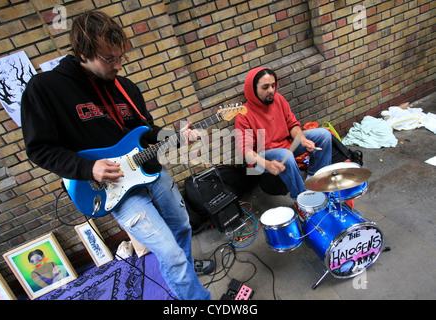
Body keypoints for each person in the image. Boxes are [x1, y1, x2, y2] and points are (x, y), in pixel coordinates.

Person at [21, 11, 213, 300]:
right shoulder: (46, 89)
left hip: (149, 171)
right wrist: (88, 168)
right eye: (109, 59)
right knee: (169, 254)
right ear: (83, 53)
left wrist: (175, 136)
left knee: (183, 227)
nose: (117, 65)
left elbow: (143, 129)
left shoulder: (125, 88)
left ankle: (184, 274)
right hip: (114, 188)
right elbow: (39, 149)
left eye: (120, 57)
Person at [235, 67, 332, 218]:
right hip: (262, 157)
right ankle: (302, 202)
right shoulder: (243, 115)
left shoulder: (279, 99)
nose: (271, 90)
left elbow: (292, 125)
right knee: (283, 154)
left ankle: (314, 180)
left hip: (286, 146)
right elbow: (246, 152)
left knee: (323, 135)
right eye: (265, 87)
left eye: (273, 85)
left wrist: (303, 139)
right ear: (252, 89)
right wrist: (267, 164)